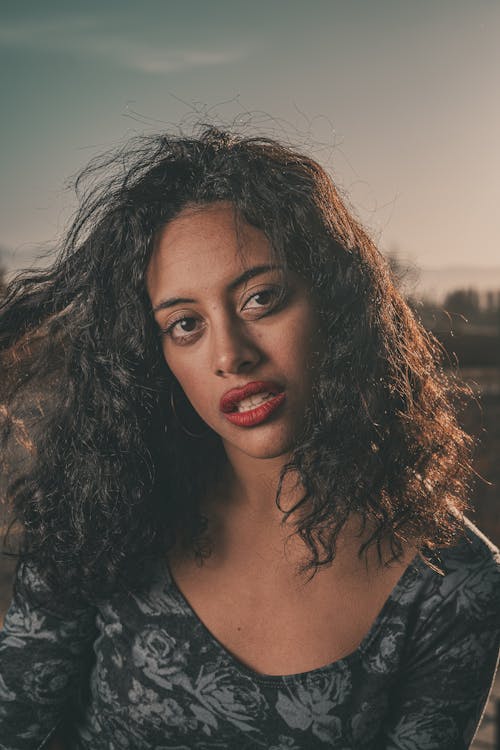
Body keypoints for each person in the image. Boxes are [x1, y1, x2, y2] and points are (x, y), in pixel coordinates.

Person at [0, 125, 499, 750]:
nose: (230, 355)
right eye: (185, 324)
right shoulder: (99, 513)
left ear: (337, 304)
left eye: (261, 298)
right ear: (152, 355)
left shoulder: (452, 581)